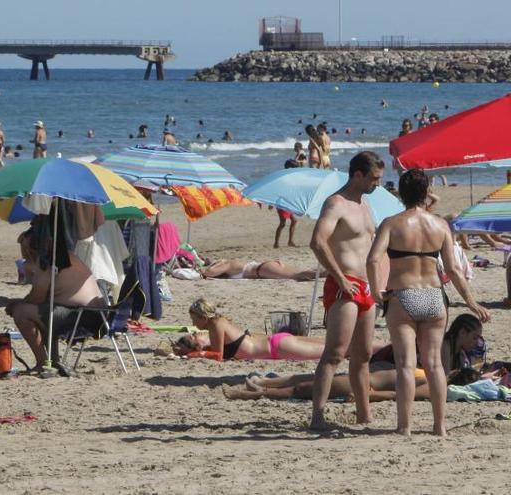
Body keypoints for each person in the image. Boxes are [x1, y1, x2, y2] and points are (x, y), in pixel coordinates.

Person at [367, 168, 489, 437]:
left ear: (401, 193)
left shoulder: (391, 223)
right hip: (434, 297)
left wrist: (376, 291)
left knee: (406, 364)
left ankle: (405, 426)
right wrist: (471, 302)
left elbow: (374, 259)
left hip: (403, 295)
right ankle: (440, 427)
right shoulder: (439, 225)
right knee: (435, 365)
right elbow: (455, 270)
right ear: (425, 193)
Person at [308, 151, 385, 431]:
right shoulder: (336, 203)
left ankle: (363, 414)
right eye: (374, 179)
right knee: (334, 354)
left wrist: (379, 285)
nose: (377, 184)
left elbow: (372, 246)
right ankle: (317, 415)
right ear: (357, 175)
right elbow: (317, 242)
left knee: (363, 355)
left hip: (366, 286)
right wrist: (340, 278)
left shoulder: (366, 205)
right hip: (346, 285)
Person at [6, 230, 104, 372]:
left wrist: (17, 305)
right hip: (99, 315)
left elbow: (37, 296)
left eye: (25, 247)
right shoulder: (64, 255)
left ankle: (43, 362)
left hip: (82, 316)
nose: (25, 253)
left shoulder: (47, 259)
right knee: (42, 310)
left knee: (21, 312)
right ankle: (53, 359)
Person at [175, 299, 324, 361]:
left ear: (203, 317)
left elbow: (218, 356)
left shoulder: (215, 325)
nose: (193, 324)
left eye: (194, 319)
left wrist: (194, 354)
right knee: (332, 345)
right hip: (276, 342)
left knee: (335, 351)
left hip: (277, 348)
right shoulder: (220, 321)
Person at [223, 368, 430, 402]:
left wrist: (371, 396)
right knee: (313, 380)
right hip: (364, 377)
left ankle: (259, 393)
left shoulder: (435, 384)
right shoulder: (433, 371)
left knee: (305, 389)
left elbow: (402, 395)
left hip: (363, 384)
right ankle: (264, 387)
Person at [198, 258, 317, 281]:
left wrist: (204, 271)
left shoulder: (228, 264)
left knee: (296, 275)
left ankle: (325, 274)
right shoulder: (231, 264)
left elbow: (210, 273)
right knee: (301, 272)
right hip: (265, 266)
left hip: (262, 269)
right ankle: (325, 272)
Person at [274, 159, 300, 248]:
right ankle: (276, 243)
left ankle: (290, 241)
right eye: (294, 168)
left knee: (294, 220)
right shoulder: (282, 177)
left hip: (288, 203)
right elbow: (276, 189)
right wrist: (271, 202)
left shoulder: (291, 177)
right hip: (281, 203)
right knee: (282, 223)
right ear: (289, 168)